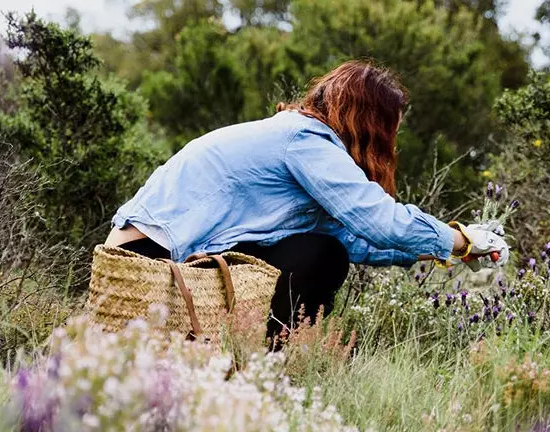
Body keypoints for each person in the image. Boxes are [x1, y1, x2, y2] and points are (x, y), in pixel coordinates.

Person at [106, 60, 510, 340]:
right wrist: (463, 239)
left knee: (319, 248)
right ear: (369, 122)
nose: (392, 143)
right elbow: (378, 221)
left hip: (158, 253)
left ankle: (250, 363)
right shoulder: (305, 140)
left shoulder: (295, 139)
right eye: (390, 132)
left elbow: (356, 240)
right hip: (149, 259)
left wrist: (451, 249)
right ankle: (265, 365)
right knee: (322, 256)